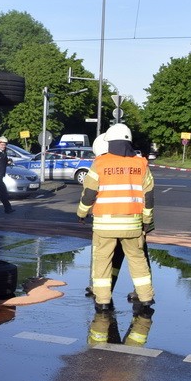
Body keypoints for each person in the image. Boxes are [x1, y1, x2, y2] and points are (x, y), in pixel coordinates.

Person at [76, 123, 155, 315]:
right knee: (138, 261)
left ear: (109, 142)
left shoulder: (101, 163)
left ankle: (103, 301)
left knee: (102, 262)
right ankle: (146, 299)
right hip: (133, 224)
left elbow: (89, 193)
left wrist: (81, 213)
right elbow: (149, 196)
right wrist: (147, 221)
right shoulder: (141, 163)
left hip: (105, 225)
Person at [0, 136, 15, 214]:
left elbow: (4, 162)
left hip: (0, 177)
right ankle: (8, 209)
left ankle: (7, 209)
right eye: (2, 144)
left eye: (5, 145)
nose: (3, 146)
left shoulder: (4, 153)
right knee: (3, 193)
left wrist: (8, 162)